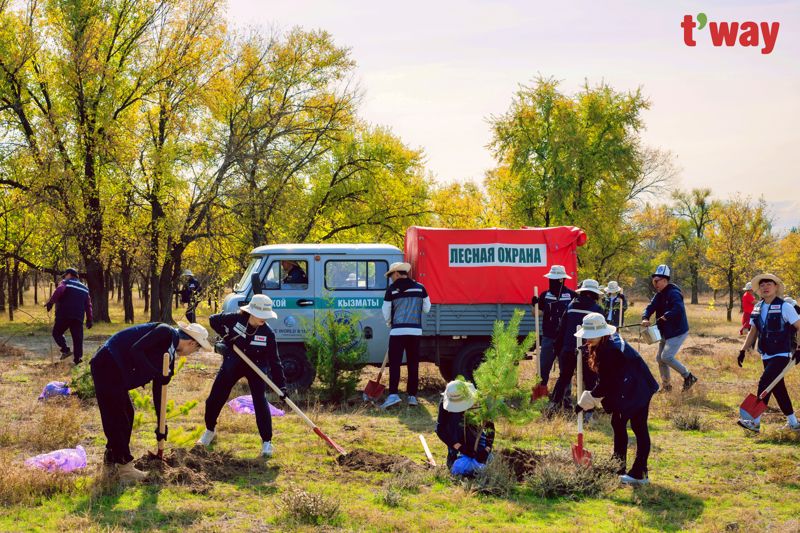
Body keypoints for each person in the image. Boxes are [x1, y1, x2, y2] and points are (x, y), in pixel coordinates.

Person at [90, 321, 211, 483]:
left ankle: (112, 460)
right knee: (117, 417)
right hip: (108, 363)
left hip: (116, 371)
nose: (192, 353)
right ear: (192, 342)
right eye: (196, 349)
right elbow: (136, 350)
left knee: (126, 414)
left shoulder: (170, 354)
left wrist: (161, 424)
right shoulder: (165, 332)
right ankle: (125, 470)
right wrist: (155, 373)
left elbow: (159, 388)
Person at [575, 313, 659, 485]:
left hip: (637, 388)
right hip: (631, 384)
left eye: (591, 337)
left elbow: (605, 384)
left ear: (602, 333)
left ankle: (638, 473)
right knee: (618, 423)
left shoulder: (610, 351)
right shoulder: (606, 342)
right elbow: (608, 376)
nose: (588, 340)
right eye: (587, 336)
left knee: (638, 426)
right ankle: (617, 465)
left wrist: (585, 402)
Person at [199, 294, 287, 457]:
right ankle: (210, 430)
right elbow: (213, 319)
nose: (264, 319)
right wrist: (226, 337)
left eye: (266, 316)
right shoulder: (235, 319)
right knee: (214, 399)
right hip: (233, 363)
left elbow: (275, 362)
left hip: (256, 368)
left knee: (260, 402)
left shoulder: (268, 333)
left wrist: (281, 386)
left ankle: (267, 442)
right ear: (251, 312)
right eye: (261, 315)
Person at [737, 274, 800, 433]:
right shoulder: (758, 307)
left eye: (769, 284)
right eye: (762, 284)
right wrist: (743, 350)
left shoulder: (785, 306)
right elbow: (753, 331)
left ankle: (755, 422)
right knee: (778, 388)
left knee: (765, 382)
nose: (765, 287)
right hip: (766, 353)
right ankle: (794, 423)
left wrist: (799, 348)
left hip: (782, 354)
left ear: (776, 287)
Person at [547, 279, 605, 414]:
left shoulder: (571, 305)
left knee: (564, 378)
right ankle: (588, 412)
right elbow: (602, 334)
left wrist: (558, 349)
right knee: (590, 380)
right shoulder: (597, 310)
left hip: (567, 349)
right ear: (594, 294)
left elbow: (561, 330)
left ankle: (553, 406)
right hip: (588, 350)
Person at [380, 261, 431, 409]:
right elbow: (427, 308)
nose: (391, 278)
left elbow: (386, 311)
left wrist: (391, 324)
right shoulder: (421, 288)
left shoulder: (392, 290)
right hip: (415, 331)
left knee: (395, 364)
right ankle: (412, 397)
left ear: (396, 274)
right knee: (413, 364)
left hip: (397, 331)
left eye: (391, 275)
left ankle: (393, 395)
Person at [641, 264, 698, 392]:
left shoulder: (674, 293)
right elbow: (650, 307)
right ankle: (666, 386)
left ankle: (689, 376)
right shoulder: (659, 295)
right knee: (659, 359)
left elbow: (678, 309)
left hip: (677, 331)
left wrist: (666, 316)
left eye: (657, 281)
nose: (655, 283)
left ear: (665, 280)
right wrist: (645, 317)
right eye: (654, 280)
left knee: (666, 357)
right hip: (665, 332)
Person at [531, 265, 578, 390]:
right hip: (548, 338)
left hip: (566, 339)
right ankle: (540, 392)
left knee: (565, 369)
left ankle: (565, 396)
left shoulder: (572, 296)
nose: (554, 282)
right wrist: (534, 305)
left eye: (557, 279)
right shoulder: (544, 295)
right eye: (552, 279)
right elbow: (537, 314)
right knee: (543, 367)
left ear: (562, 279)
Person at [435, 379, 495, 475]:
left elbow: (489, 427)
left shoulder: (479, 401)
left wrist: (487, 449)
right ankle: (453, 456)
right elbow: (440, 429)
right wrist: (459, 447)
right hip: (456, 439)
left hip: (477, 438)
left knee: (489, 463)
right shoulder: (445, 402)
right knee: (456, 467)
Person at [45, 268, 93, 365]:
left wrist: (51, 302)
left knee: (57, 333)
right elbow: (88, 305)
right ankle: (78, 359)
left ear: (69, 275)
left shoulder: (65, 282)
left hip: (64, 314)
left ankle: (65, 350)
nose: (64, 277)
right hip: (78, 316)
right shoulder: (85, 288)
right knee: (77, 338)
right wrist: (89, 319)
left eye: (65, 275)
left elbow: (59, 290)